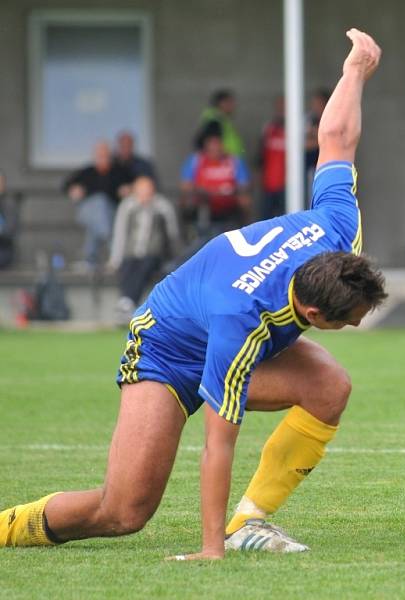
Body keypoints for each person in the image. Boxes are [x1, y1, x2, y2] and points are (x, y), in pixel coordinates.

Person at [0, 29, 384, 560]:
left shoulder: (337, 225)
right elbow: (218, 444)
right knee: (122, 512)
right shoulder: (241, 320)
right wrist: (209, 552)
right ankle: (3, 528)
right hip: (165, 350)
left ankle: (249, 521)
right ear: (311, 311)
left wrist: (354, 72)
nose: (357, 326)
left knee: (329, 387)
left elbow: (337, 138)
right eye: (346, 322)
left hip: (220, 323)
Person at [108, 176, 181, 319]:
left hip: (154, 255)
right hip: (131, 253)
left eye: (147, 190)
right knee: (128, 265)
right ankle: (127, 301)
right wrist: (115, 259)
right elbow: (120, 233)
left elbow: (173, 233)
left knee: (145, 264)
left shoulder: (162, 207)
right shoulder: (128, 206)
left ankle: (127, 301)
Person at [62, 141, 135, 269]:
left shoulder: (120, 172)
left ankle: (90, 258)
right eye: (100, 155)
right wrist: (74, 190)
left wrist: (128, 189)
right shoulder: (86, 172)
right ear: (95, 156)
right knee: (99, 204)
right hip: (88, 211)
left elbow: (135, 185)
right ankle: (113, 249)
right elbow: (66, 186)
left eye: (105, 155)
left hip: (112, 212)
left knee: (99, 218)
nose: (103, 158)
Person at [180, 124, 253, 237]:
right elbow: (185, 185)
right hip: (203, 204)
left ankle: (246, 235)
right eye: (211, 144)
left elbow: (244, 184)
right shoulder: (196, 160)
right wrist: (200, 190)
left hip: (228, 203)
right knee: (186, 201)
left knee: (245, 200)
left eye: (217, 143)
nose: (215, 148)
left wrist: (231, 191)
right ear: (206, 145)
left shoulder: (233, 161)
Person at [259, 96, 287, 219]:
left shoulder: (296, 129)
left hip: (288, 184)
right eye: (279, 106)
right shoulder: (268, 129)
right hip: (269, 183)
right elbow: (260, 156)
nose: (281, 109)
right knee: (267, 218)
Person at [198, 88, 245, 158]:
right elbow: (210, 143)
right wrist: (223, 157)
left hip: (230, 161)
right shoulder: (215, 120)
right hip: (225, 162)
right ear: (221, 103)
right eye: (230, 102)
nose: (233, 105)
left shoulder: (222, 119)